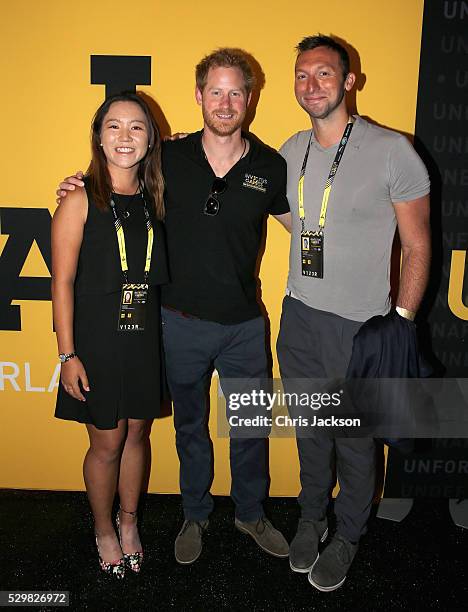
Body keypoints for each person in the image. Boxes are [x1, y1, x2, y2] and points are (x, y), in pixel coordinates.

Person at [56, 49, 291, 565]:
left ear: (250, 99)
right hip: (178, 322)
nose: (225, 103)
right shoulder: (168, 157)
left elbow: (302, 228)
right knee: (190, 427)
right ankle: (195, 514)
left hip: (245, 325)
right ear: (199, 96)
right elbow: (116, 170)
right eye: (215, 91)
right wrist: (75, 184)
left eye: (235, 93)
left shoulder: (272, 166)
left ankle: (250, 513)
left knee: (251, 427)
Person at [276, 35, 431, 591]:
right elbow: (279, 211)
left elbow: (417, 245)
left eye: (323, 74)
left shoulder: (393, 150)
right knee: (311, 432)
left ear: (349, 81)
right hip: (298, 319)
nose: (310, 85)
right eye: (301, 75)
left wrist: (402, 321)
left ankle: (347, 535)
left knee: (356, 442)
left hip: (361, 328)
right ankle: (312, 517)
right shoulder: (289, 150)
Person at [52, 91, 168, 578]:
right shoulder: (78, 200)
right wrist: (67, 355)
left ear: (150, 138)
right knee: (107, 443)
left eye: (137, 127)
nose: (125, 136)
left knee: (138, 434)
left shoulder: (158, 197)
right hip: (95, 343)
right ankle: (102, 529)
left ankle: (128, 521)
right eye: (114, 126)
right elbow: (60, 283)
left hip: (143, 339)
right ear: (98, 137)